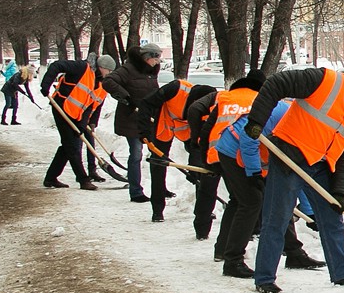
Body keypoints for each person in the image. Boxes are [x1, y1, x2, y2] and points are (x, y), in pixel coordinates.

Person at [243, 55, 344, 293]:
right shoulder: (323, 80)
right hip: (288, 155)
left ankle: (343, 274)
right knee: (278, 217)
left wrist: (340, 191)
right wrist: (257, 120)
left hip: (319, 164)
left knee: (332, 216)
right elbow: (276, 83)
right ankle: (264, 278)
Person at [215, 99, 324, 279]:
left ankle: (294, 254)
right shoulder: (278, 112)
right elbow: (247, 138)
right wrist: (254, 173)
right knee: (251, 202)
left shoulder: (305, 128)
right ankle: (233, 261)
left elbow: (299, 172)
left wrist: (310, 212)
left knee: (280, 198)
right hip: (233, 151)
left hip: (256, 158)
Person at [186, 71, 260, 250]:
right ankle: (229, 246)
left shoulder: (223, 97)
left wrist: (199, 148)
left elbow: (205, 125)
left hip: (216, 153)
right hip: (238, 156)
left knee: (208, 192)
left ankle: (203, 231)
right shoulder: (260, 99)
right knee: (242, 199)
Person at [39, 53, 115, 190]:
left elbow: (90, 104)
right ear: (102, 67)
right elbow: (57, 65)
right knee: (73, 146)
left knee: (67, 146)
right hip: (61, 108)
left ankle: (51, 178)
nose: (108, 74)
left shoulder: (96, 79)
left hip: (75, 114)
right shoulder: (81, 67)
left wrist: (84, 123)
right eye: (109, 71)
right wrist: (46, 84)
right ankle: (83, 180)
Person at [101, 41, 163, 205]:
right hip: (132, 120)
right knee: (136, 154)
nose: (157, 62)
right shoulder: (128, 69)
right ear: (147, 56)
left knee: (158, 153)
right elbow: (108, 81)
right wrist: (126, 98)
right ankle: (136, 191)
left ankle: (160, 188)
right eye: (156, 58)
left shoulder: (151, 71)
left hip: (148, 119)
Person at [138, 68, 195, 222]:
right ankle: (157, 210)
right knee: (158, 164)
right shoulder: (175, 88)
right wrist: (144, 131)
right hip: (165, 126)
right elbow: (145, 103)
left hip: (188, 129)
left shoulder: (207, 105)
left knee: (200, 165)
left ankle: (203, 210)